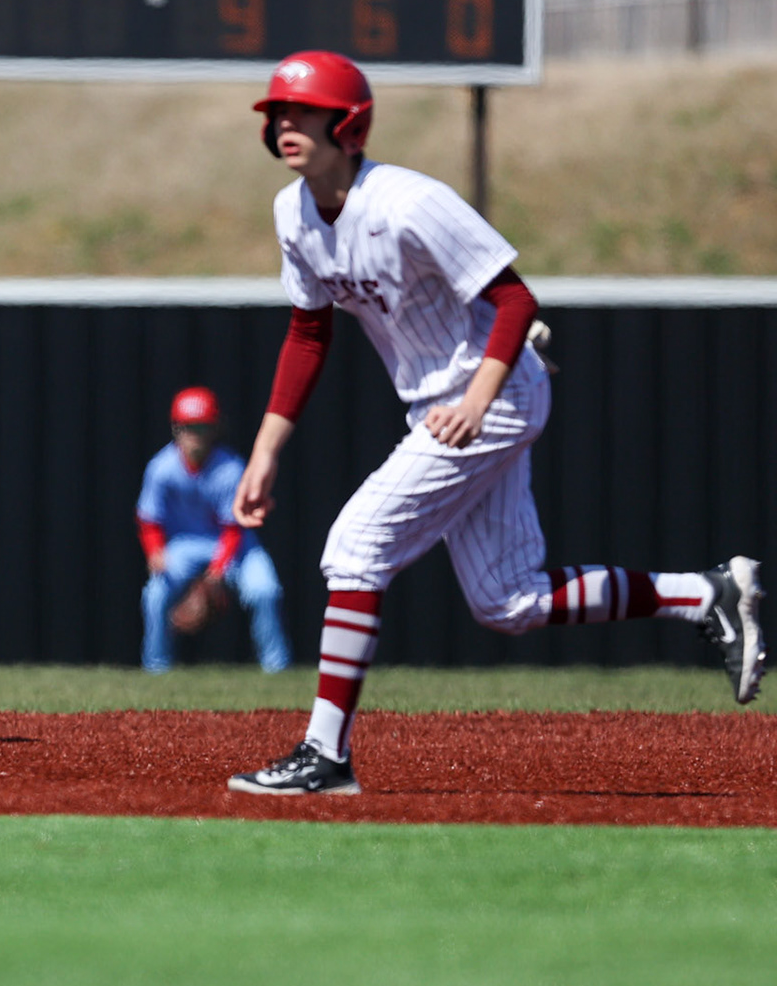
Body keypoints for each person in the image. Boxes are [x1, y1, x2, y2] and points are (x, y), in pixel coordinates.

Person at [226, 50, 766, 796]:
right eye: (277, 113)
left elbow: (514, 301)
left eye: (302, 111)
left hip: (493, 396)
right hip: (444, 404)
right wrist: (265, 452)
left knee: (355, 548)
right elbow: (309, 334)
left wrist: (480, 398)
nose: (285, 123)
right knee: (509, 602)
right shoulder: (294, 215)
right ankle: (705, 594)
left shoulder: (409, 203)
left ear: (346, 123)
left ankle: (326, 755)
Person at [137, 386, 289, 673]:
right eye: (189, 427)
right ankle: (156, 670)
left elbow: (234, 527)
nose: (195, 436)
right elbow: (149, 520)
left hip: (235, 544)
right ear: (176, 428)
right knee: (155, 595)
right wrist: (155, 551)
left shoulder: (231, 468)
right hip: (185, 545)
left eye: (202, 427)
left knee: (265, 590)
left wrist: (216, 573)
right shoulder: (161, 468)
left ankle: (277, 668)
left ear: (214, 429)